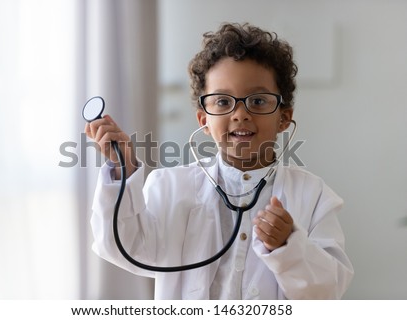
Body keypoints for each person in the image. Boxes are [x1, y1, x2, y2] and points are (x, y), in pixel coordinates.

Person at [85, 22, 354, 299]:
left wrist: (289, 246)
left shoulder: (313, 196)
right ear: (204, 120)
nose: (240, 114)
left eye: (258, 101)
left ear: (283, 117)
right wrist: (123, 171)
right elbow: (123, 247)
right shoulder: (171, 186)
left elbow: (328, 289)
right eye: (223, 102)